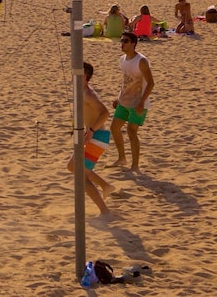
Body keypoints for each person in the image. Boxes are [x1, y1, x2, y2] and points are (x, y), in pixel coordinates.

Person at [66, 62, 115, 215]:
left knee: (82, 177)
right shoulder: (80, 91)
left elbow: (105, 113)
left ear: (85, 76)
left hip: (98, 138)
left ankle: (104, 211)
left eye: (76, 72)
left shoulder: (88, 94)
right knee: (72, 166)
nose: (73, 75)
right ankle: (105, 186)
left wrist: (92, 130)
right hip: (92, 136)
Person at [109, 32, 154, 171]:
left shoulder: (141, 61)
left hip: (138, 102)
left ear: (133, 43)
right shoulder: (122, 59)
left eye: (126, 41)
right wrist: (118, 97)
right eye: (121, 40)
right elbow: (125, 82)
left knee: (131, 131)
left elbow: (151, 83)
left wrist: (141, 102)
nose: (122, 43)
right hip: (124, 101)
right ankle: (121, 158)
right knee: (114, 128)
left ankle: (135, 165)